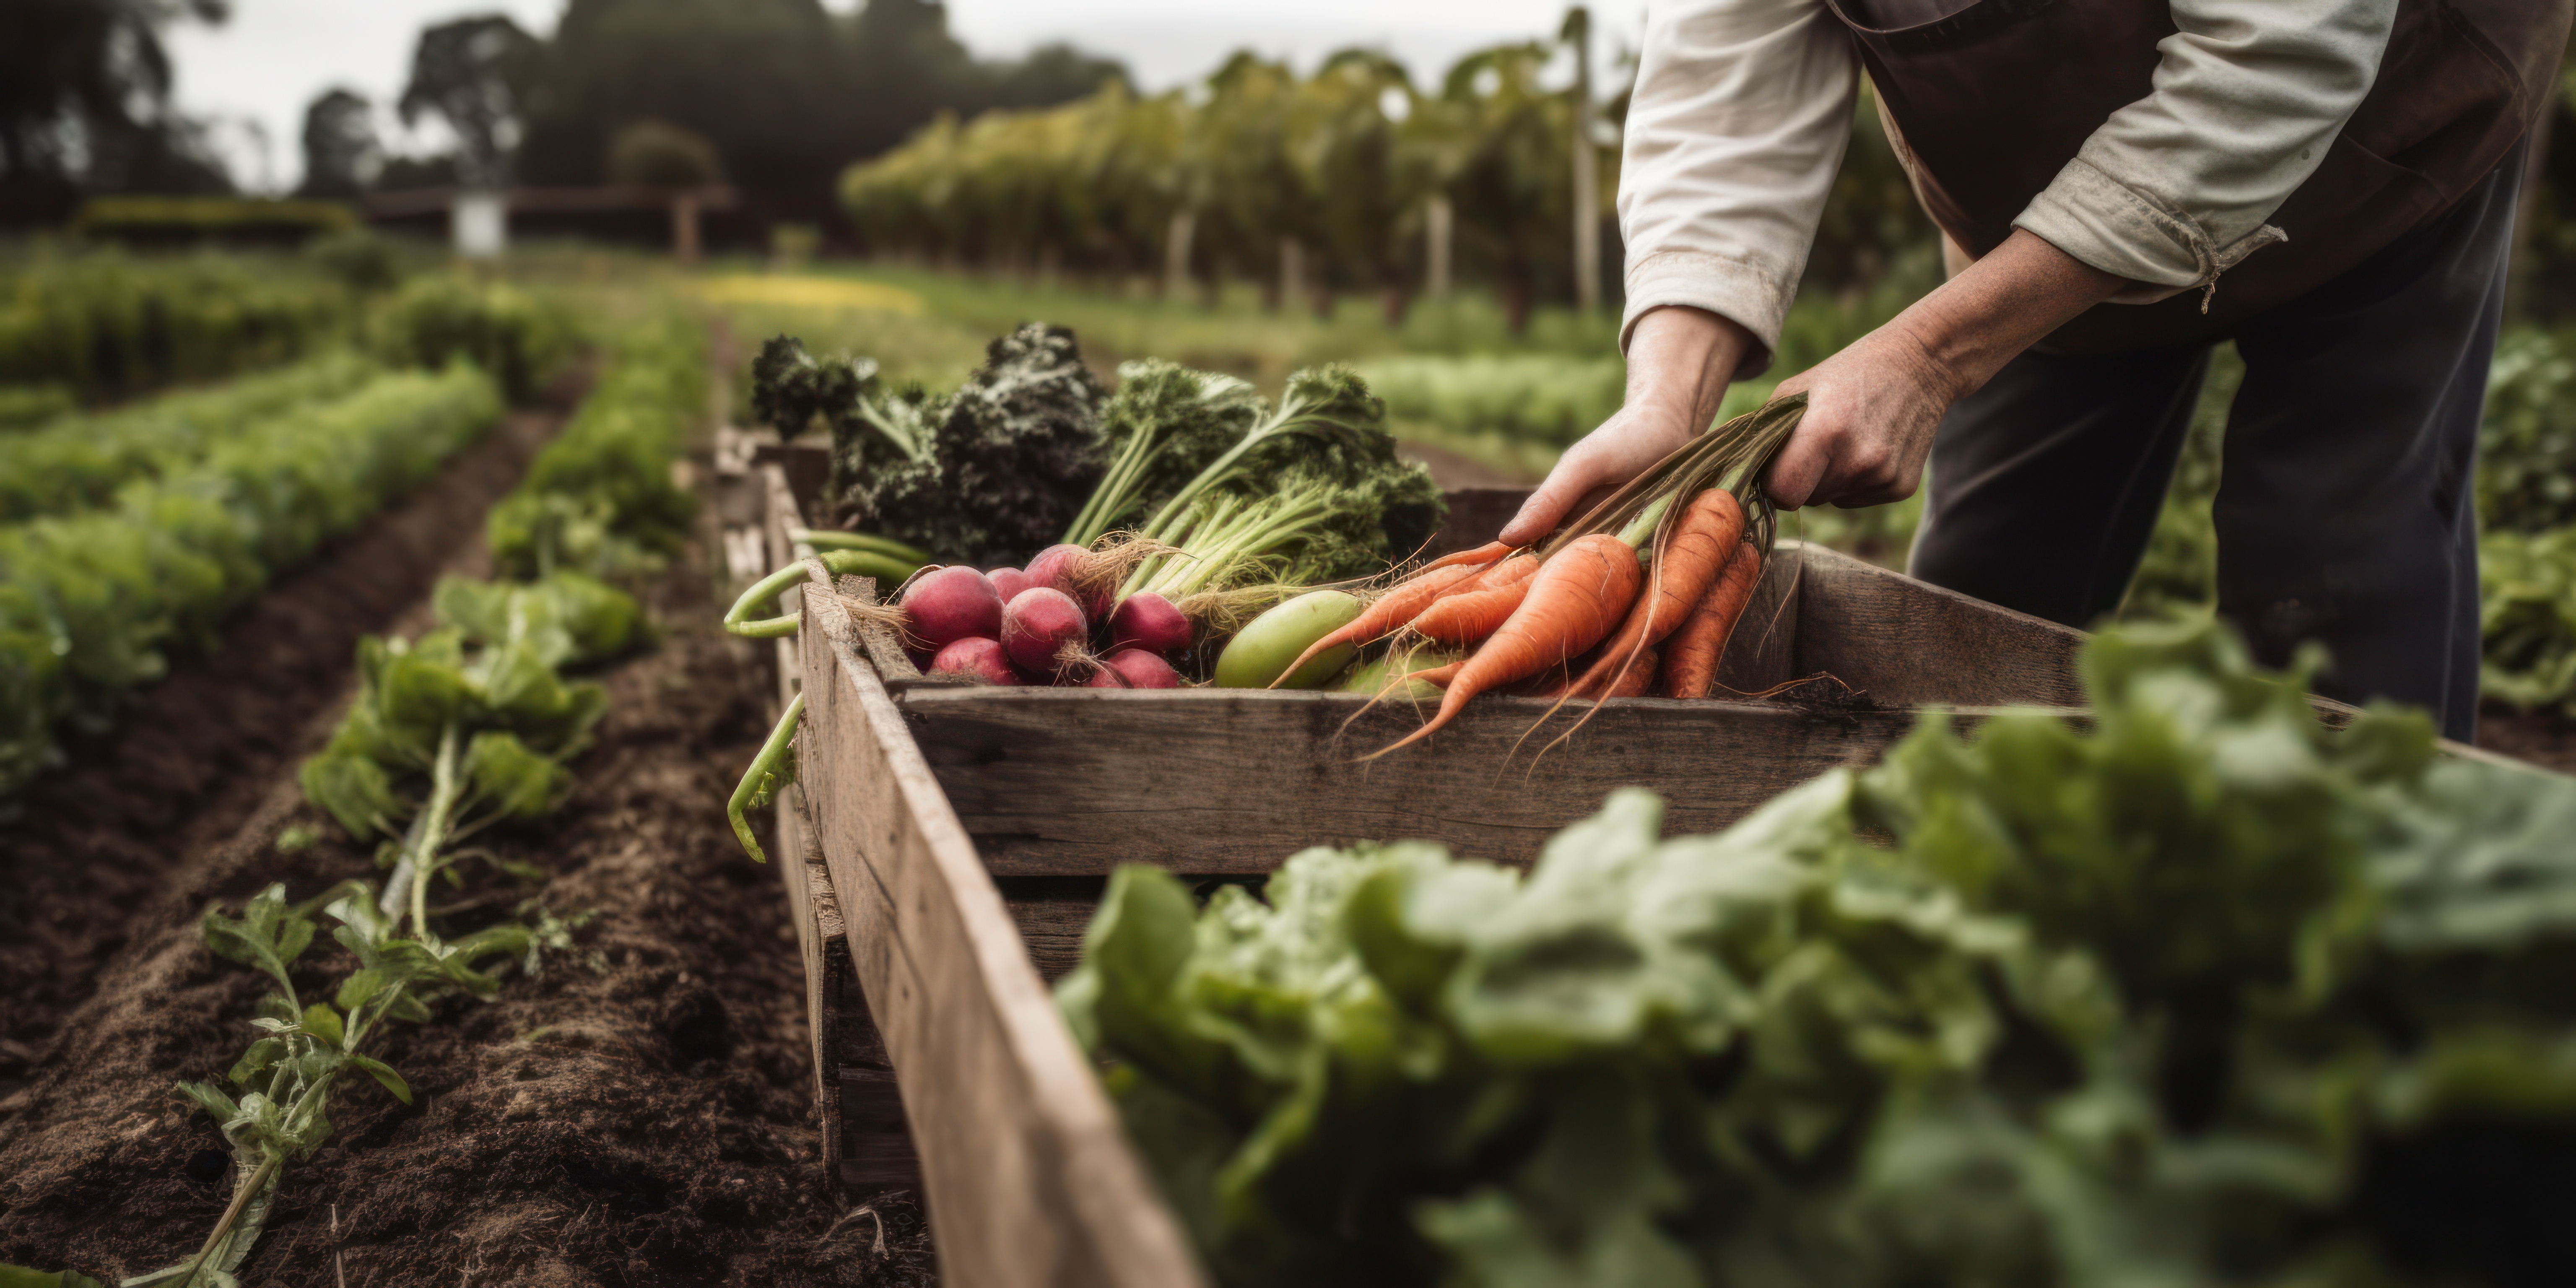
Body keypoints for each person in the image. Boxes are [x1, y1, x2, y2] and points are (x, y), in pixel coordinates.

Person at [1500, 0, 2570, 740]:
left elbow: (2277, 56)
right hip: (2044, 195)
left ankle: (2365, 999)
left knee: (2336, 561)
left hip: (2390, 128)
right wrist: (1668, 402)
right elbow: (1723, 104)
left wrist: (1925, 357)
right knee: (1979, 588)